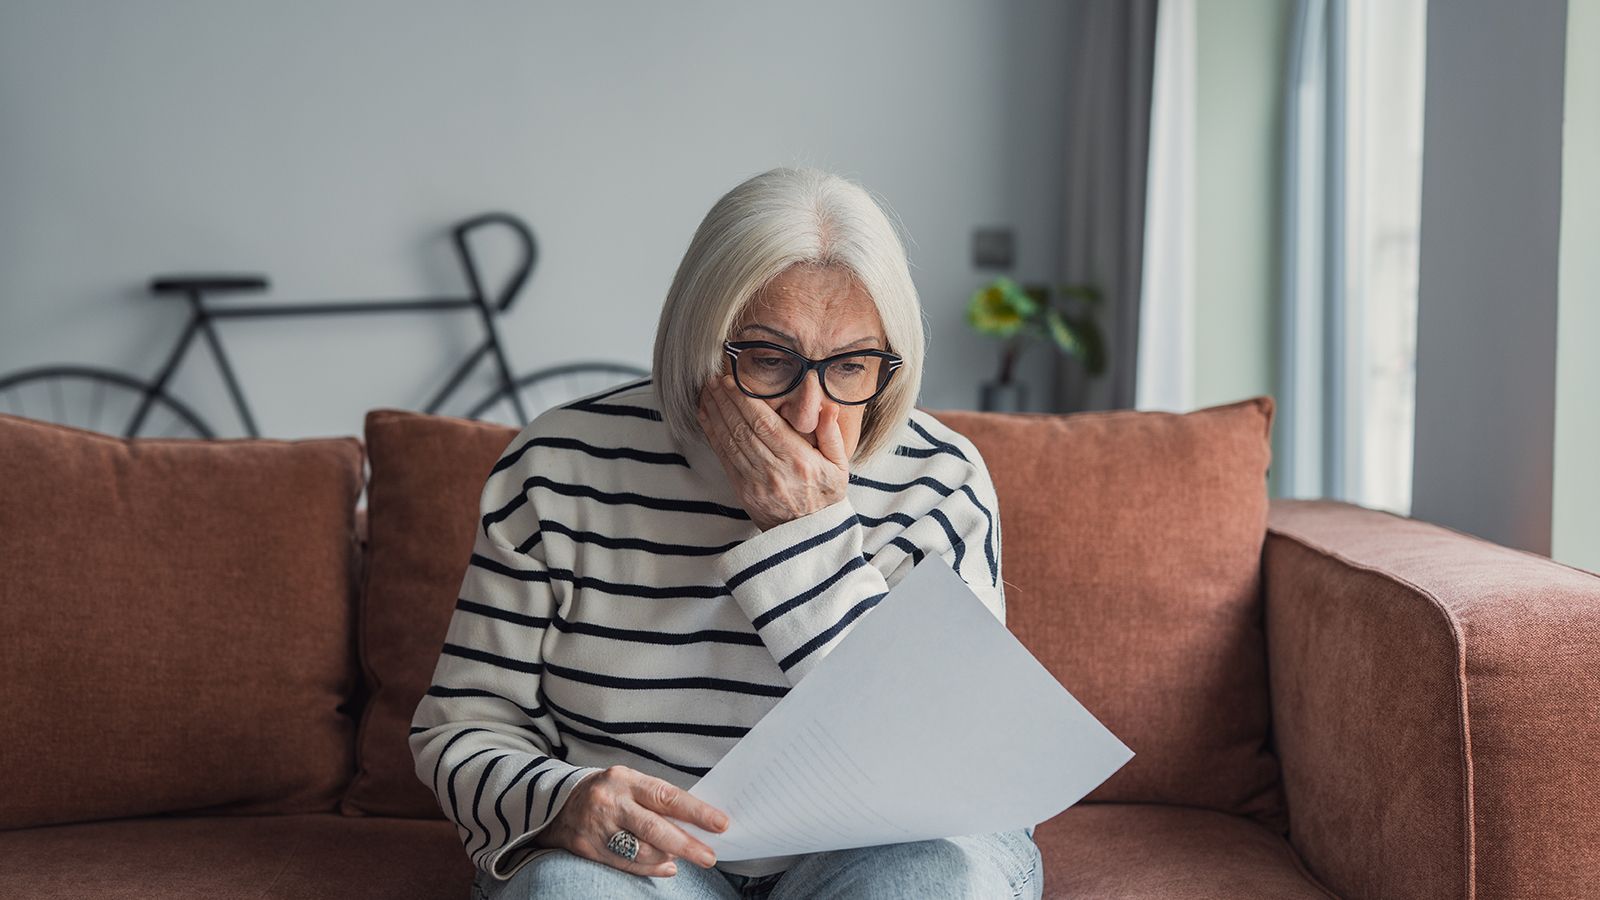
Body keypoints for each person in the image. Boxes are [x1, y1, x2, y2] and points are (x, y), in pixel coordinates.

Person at [411, 166, 1043, 900]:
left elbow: (949, 754)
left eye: (851, 365)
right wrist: (562, 801)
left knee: (935, 883)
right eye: (770, 360)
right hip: (652, 860)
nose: (811, 412)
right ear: (700, 343)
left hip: (885, 842)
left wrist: (806, 535)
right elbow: (466, 725)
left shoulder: (939, 477)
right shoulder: (560, 466)